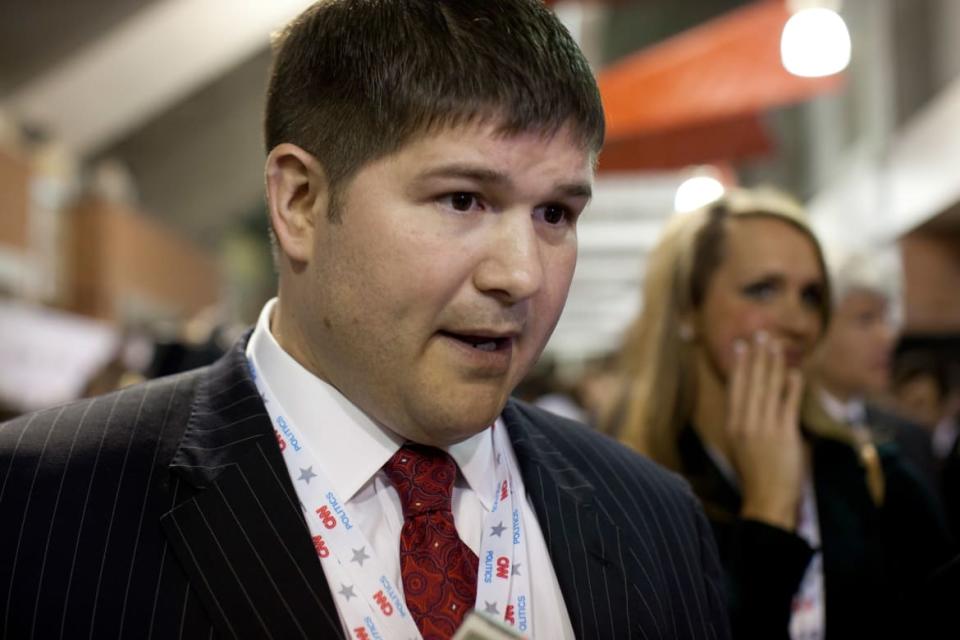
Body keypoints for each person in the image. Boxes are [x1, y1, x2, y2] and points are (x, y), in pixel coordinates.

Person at [0, 2, 730, 639]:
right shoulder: (42, 507)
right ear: (300, 204)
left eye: (555, 214)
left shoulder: (653, 521)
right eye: (463, 200)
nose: (522, 275)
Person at [605, 187, 954, 639]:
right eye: (763, 290)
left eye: (810, 296)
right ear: (688, 311)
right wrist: (768, 512)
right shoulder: (625, 493)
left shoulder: (870, 472)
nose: (797, 322)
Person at [807, 246, 939, 490]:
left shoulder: (909, 439)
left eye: (885, 318)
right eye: (865, 319)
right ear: (817, 330)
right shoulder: (790, 440)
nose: (887, 336)